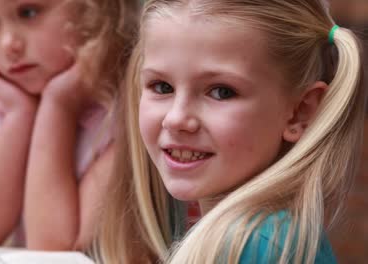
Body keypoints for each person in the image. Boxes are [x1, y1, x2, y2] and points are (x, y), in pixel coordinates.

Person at [95, 0, 365, 263]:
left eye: (222, 92)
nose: (176, 119)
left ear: (299, 112)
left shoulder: (252, 244)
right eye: (162, 87)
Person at [0, 0, 140, 250]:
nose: (9, 43)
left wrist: (58, 106)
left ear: (96, 11)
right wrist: (19, 114)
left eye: (29, 13)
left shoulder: (125, 112)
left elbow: (53, 249)